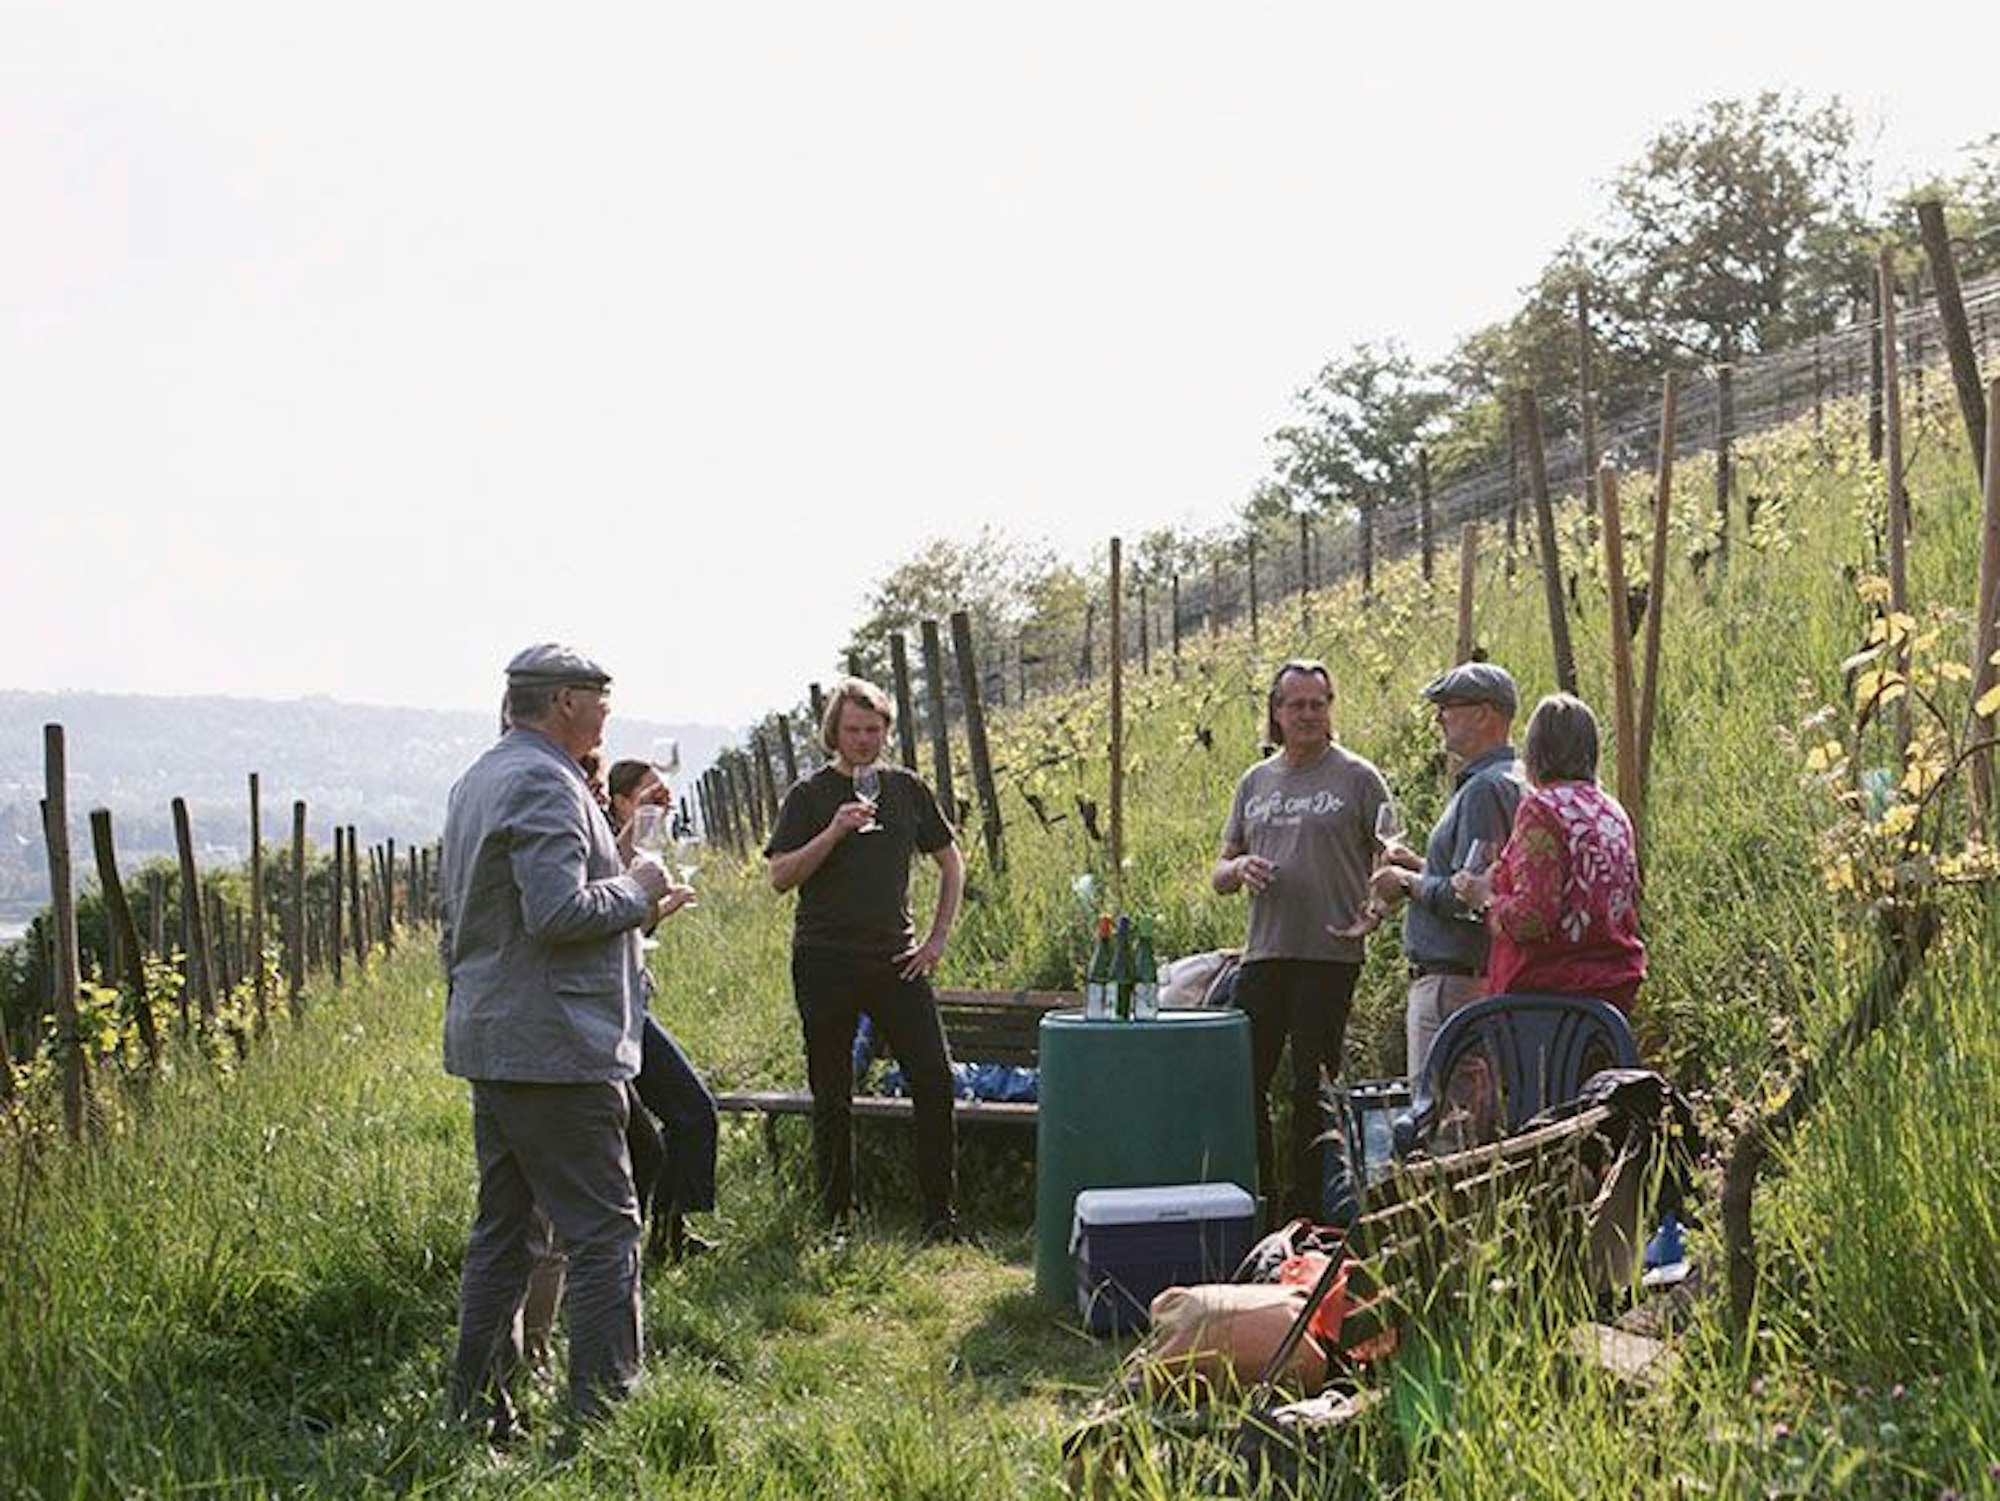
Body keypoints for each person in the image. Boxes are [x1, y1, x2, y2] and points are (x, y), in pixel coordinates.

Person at [439, 643, 685, 1439]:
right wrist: (638, 888)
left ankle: (479, 1410)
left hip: (495, 1036)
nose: (608, 708)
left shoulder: (481, 777)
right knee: (605, 1230)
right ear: (564, 701)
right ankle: (605, 1416)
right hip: (555, 1045)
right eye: (599, 694)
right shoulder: (545, 782)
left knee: (505, 1234)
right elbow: (556, 912)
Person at [764, 676, 966, 1240]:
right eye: (853, 730)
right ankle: (836, 1220)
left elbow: (951, 862)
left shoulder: (907, 789)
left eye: (873, 730)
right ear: (834, 732)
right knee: (832, 1093)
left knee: (934, 1077)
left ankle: (939, 1214)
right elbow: (780, 876)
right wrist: (833, 832)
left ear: (886, 731)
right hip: (825, 958)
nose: (862, 740)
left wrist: (937, 938)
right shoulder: (808, 795)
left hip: (895, 960)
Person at [1212, 659, 1390, 1222]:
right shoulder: (1255, 781)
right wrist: (1239, 868)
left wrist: (1376, 909)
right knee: (1245, 1084)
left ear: (1330, 709)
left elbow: (1394, 854)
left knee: (1312, 1088)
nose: (1309, 714)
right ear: (1277, 712)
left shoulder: (1358, 777)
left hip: (1329, 954)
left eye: (1318, 703)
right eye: (1297, 705)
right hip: (1264, 954)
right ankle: (1256, 1202)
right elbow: (1219, 872)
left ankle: (1309, 1214)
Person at [1361, 662, 1526, 1081]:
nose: (1439, 717)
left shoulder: (1484, 788)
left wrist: (1405, 883)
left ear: (1484, 713)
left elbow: (1468, 899)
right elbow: (1482, 879)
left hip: (1452, 987)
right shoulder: (1515, 780)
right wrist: (1423, 867)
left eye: (1448, 706)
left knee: (1443, 1113)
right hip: (1475, 979)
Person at [1454, 692, 1646, 1013]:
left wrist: (1484, 897)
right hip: (1611, 996)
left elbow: (1533, 918)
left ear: (1535, 750)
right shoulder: (1612, 811)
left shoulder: (1541, 809)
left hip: (1547, 1000)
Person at [605, 758, 720, 1262]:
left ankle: (668, 1235)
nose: (658, 804)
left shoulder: (639, 852)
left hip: (632, 1005)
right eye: (645, 796)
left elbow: (635, 926)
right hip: (610, 1016)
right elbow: (605, 921)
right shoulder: (601, 845)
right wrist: (661, 906)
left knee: (688, 1116)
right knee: (665, 1130)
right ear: (620, 803)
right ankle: (641, 1245)